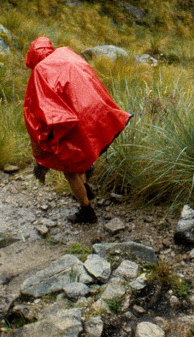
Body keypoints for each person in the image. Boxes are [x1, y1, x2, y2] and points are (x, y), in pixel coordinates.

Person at [24, 37, 131, 224]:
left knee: (70, 168)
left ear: (32, 58)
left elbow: (36, 112)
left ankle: (87, 211)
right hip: (96, 115)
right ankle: (87, 188)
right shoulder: (67, 54)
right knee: (80, 158)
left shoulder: (40, 72)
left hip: (73, 123)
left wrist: (39, 152)